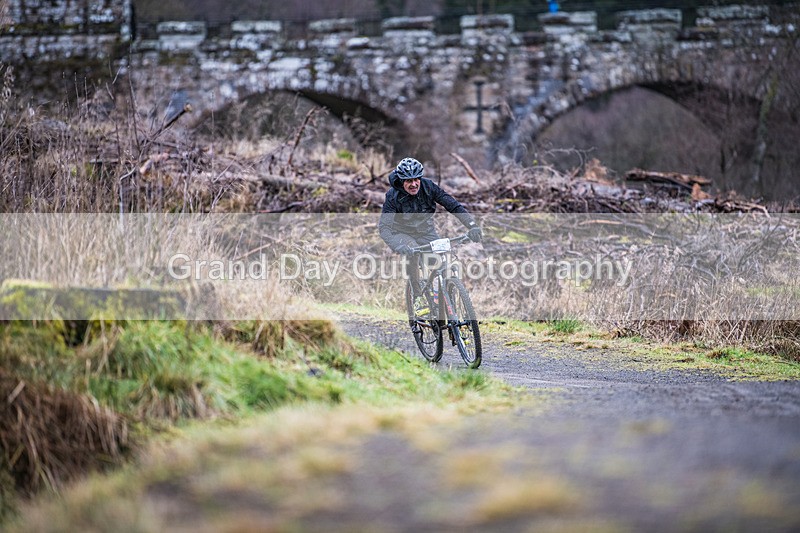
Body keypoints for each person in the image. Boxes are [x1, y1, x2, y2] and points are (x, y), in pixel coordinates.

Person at [379, 157, 482, 314]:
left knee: (441, 262)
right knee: (413, 251)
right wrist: (398, 246)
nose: (414, 184)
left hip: (426, 231)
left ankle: (444, 299)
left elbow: (453, 205)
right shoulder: (393, 196)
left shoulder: (428, 187)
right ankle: (417, 297)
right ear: (401, 180)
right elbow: (384, 228)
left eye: (416, 179)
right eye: (409, 181)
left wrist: (472, 225)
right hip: (402, 233)